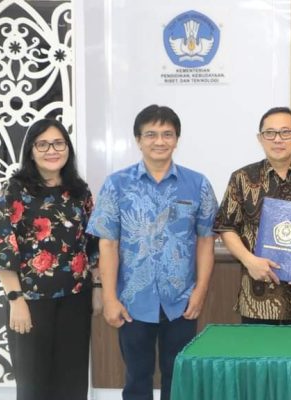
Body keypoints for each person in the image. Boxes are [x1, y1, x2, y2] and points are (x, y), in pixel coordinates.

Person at [87, 105, 217, 400]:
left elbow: (206, 240)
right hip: (132, 301)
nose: (160, 141)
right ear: (138, 139)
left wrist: (200, 292)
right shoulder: (117, 184)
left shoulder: (197, 184)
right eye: (151, 134)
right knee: (137, 378)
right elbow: (108, 244)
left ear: (177, 139)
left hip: (182, 301)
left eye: (167, 134)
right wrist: (109, 298)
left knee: (179, 376)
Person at [0, 118, 101, 400]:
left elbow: (93, 245)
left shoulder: (79, 191)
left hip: (76, 299)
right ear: (31, 150)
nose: (52, 150)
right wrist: (16, 300)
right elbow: (4, 247)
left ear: (68, 148)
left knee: (72, 385)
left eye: (59, 143)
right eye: (43, 144)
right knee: (34, 387)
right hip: (30, 302)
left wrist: (98, 288)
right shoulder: (14, 190)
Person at [214, 107, 291, 325]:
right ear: (260, 138)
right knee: (257, 349)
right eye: (270, 133)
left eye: (286, 132)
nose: (277, 139)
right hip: (257, 299)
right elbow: (226, 227)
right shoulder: (242, 179)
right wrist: (249, 261)